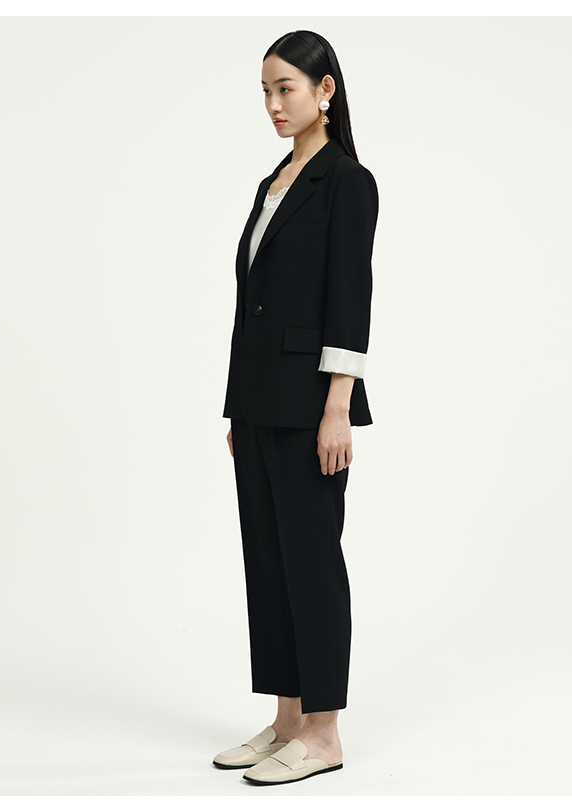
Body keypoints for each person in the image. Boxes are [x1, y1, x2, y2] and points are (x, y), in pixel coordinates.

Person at [215, 29, 379, 786]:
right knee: (269, 560)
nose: (274, 104)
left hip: (312, 403)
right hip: (259, 403)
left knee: (311, 561)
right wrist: (235, 407)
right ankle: (286, 721)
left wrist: (337, 407)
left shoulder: (348, 181)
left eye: (286, 88)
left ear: (325, 90)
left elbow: (349, 297)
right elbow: (251, 303)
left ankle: (324, 733)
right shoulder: (273, 181)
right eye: (265, 91)